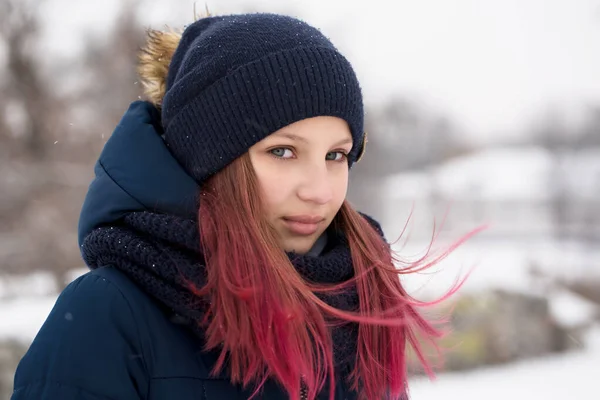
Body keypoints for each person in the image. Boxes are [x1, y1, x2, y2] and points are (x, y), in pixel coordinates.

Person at [11, 12, 467, 400]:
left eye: (336, 155)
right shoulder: (109, 315)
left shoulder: (361, 300)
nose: (320, 191)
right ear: (212, 161)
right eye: (283, 152)